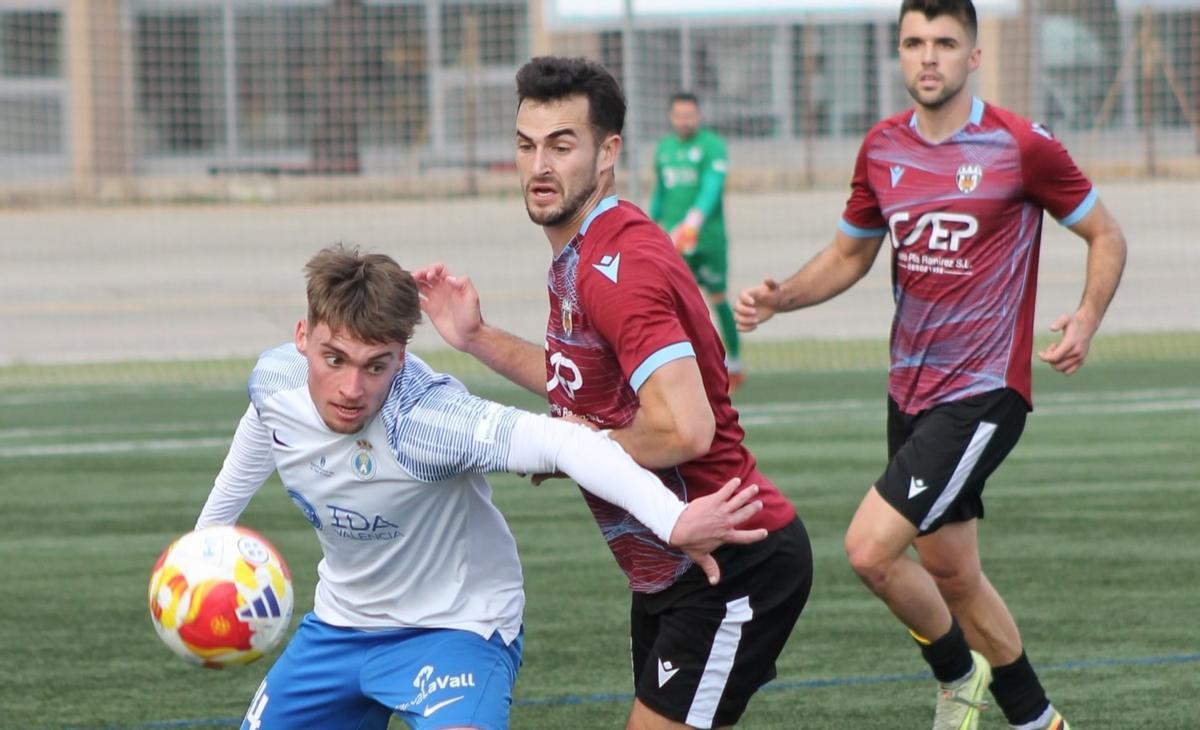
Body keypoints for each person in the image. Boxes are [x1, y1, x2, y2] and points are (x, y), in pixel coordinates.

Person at [734, 2, 1126, 729]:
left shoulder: (1020, 146)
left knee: (868, 551)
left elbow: (1105, 233)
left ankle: (956, 675)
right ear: (901, 53)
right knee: (952, 572)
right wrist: (783, 296)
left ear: (973, 56)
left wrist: (1088, 317)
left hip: (983, 393)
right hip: (909, 390)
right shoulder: (882, 149)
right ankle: (1039, 720)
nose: (929, 56)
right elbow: (851, 253)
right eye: (915, 42)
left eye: (945, 42)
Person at [195, 244, 771, 730]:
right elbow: (262, 422)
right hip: (339, 626)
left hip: (456, 629)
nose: (351, 387)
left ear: (402, 355)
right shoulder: (276, 378)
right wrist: (204, 541)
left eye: (376, 366)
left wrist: (673, 521)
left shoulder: (429, 423)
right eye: (334, 359)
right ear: (302, 338)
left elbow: (566, 443)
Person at [415, 56, 813, 730]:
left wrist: (573, 449)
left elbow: (685, 430)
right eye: (526, 144)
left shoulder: (617, 269)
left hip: (728, 563)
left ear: (608, 154)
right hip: (669, 563)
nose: (539, 165)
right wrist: (477, 336)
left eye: (561, 145)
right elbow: (578, 381)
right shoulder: (583, 253)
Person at [649, 92, 745, 392]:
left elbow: (712, 187)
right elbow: (660, 195)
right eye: (679, 115)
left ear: (699, 115)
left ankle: (736, 362)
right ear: (670, 117)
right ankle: (689, 367)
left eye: (689, 114)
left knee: (718, 299)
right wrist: (651, 228)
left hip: (709, 240)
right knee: (679, 305)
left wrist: (693, 221)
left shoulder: (712, 147)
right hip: (675, 244)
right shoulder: (664, 150)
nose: (684, 120)